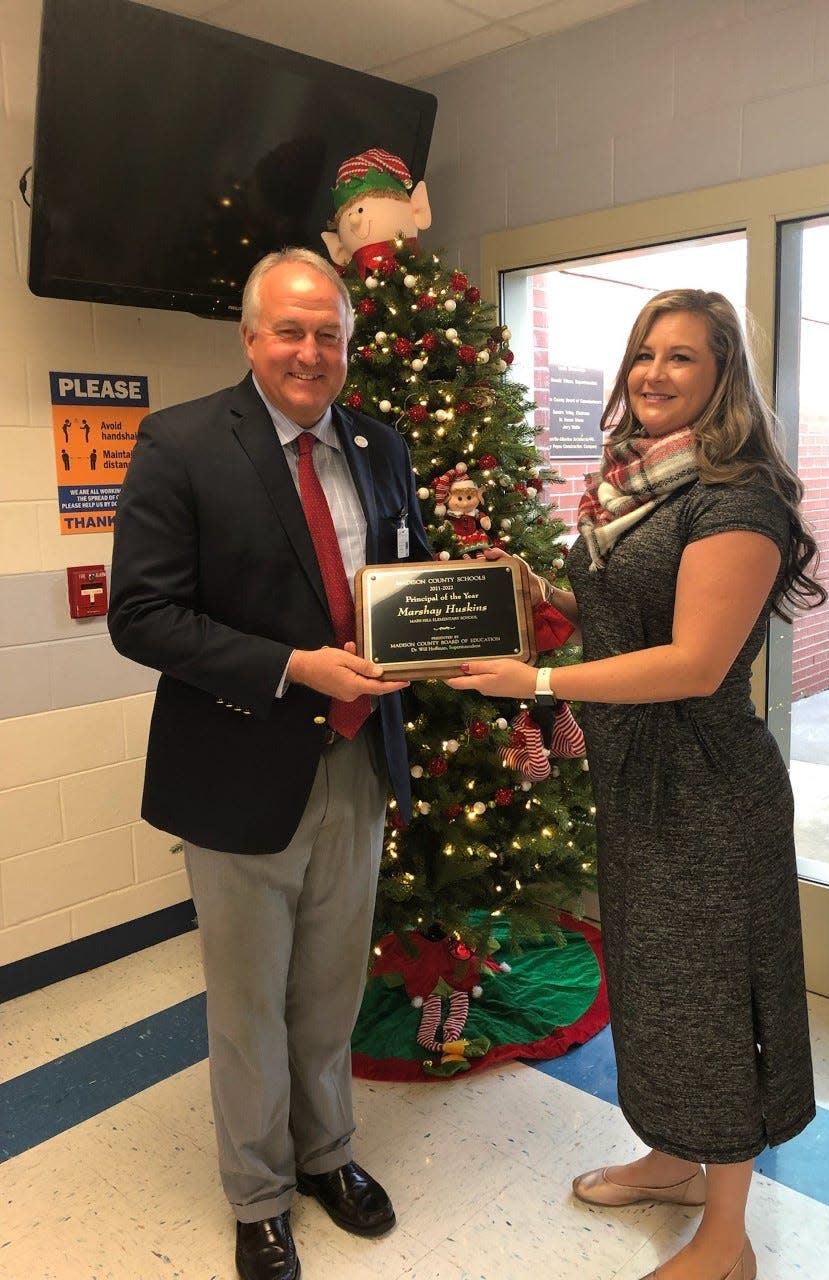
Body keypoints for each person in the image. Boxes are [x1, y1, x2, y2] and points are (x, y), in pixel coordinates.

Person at [447, 289, 826, 1280]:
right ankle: (673, 1157)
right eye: (643, 354)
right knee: (653, 984)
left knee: (712, 996)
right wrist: (546, 596)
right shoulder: (636, 487)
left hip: (708, 787)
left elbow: (693, 661)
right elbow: (631, 616)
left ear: (722, 375)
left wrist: (533, 676)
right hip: (635, 777)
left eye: (683, 358)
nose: (654, 373)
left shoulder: (738, 500)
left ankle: (726, 1234)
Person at [108, 247, 432, 1280]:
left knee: (332, 985)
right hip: (240, 763)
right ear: (251, 337)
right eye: (290, 330)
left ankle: (327, 1151)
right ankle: (255, 1192)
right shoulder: (183, 442)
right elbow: (142, 614)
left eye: (328, 333)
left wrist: (437, 623)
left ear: (348, 343)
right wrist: (293, 665)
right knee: (247, 997)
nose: (310, 351)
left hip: (357, 762)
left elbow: (404, 575)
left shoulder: (381, 444)